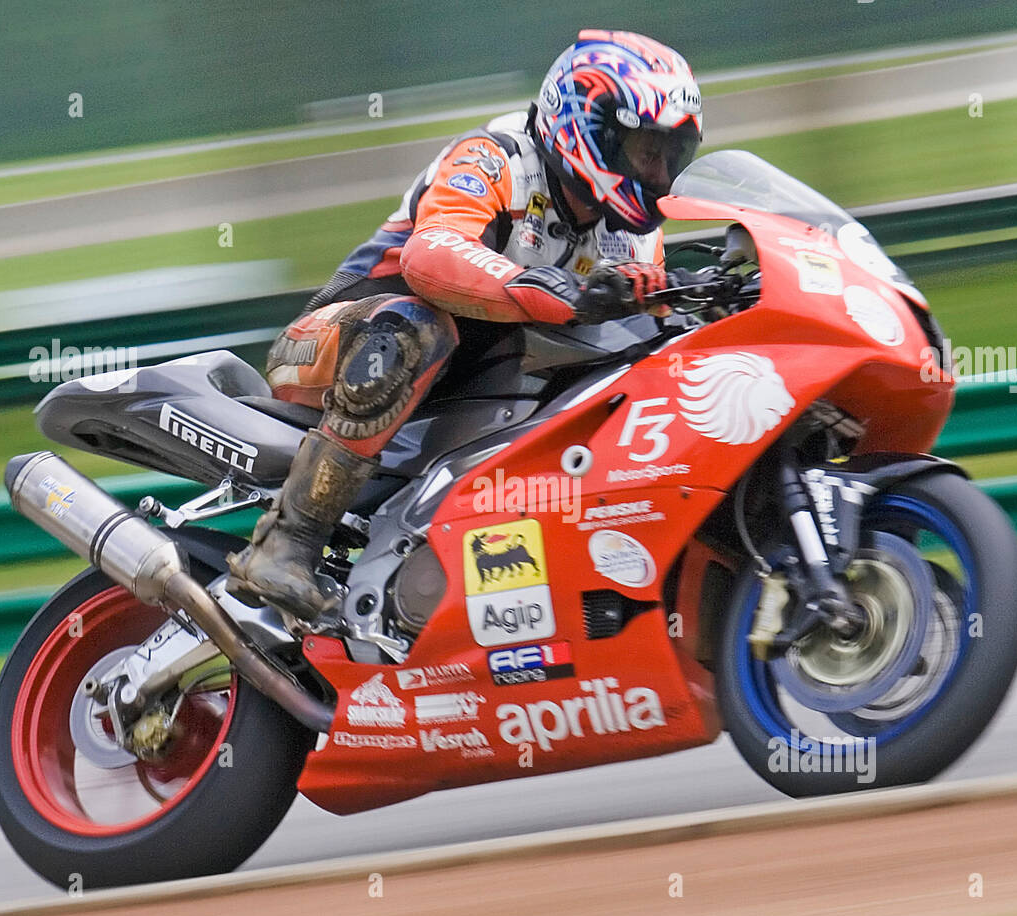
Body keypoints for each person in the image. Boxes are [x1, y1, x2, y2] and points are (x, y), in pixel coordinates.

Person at [227, 28, 703, 622]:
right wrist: (551, 290)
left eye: (669, 156)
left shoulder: (629, 228)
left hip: (468, 372)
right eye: (644, 151)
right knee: (413, 327)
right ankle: (286, 543)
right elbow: (431, 255)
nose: (658, 173)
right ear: (593, 130)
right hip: (337, 342)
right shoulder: (496, 156)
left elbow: (643, 319)